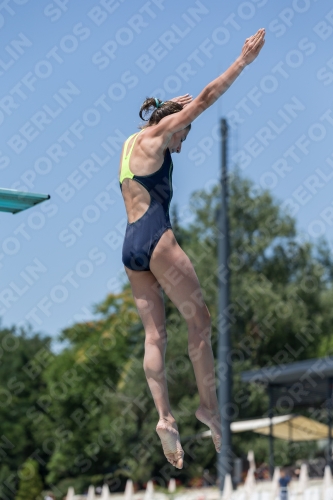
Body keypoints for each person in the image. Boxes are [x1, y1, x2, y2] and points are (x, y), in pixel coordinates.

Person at [118, 28, 266, 469]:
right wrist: (242, 62)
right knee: (199, 324)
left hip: (130, 247)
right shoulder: (159, 135)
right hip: (157, 236)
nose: (182, 142)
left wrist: (171, 110)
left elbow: (175, 112)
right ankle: (207, 408)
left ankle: (166, 418)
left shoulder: (131, 142)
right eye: (183, 134)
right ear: (170, 127)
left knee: (155, 336)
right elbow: (204, 98)